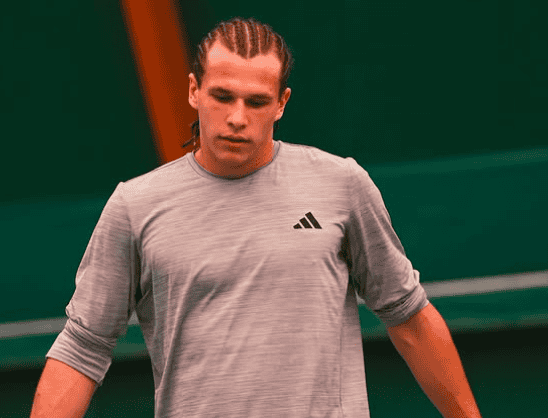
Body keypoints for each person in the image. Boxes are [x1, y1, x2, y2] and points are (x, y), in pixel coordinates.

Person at [31, 16, 482, 418]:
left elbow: (409, 317)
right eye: (222, 97)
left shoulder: (341, 183)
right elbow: (83, 347)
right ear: (193, 90)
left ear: (282, 103)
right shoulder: (135, 205)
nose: (237, 118)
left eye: (257, 102)